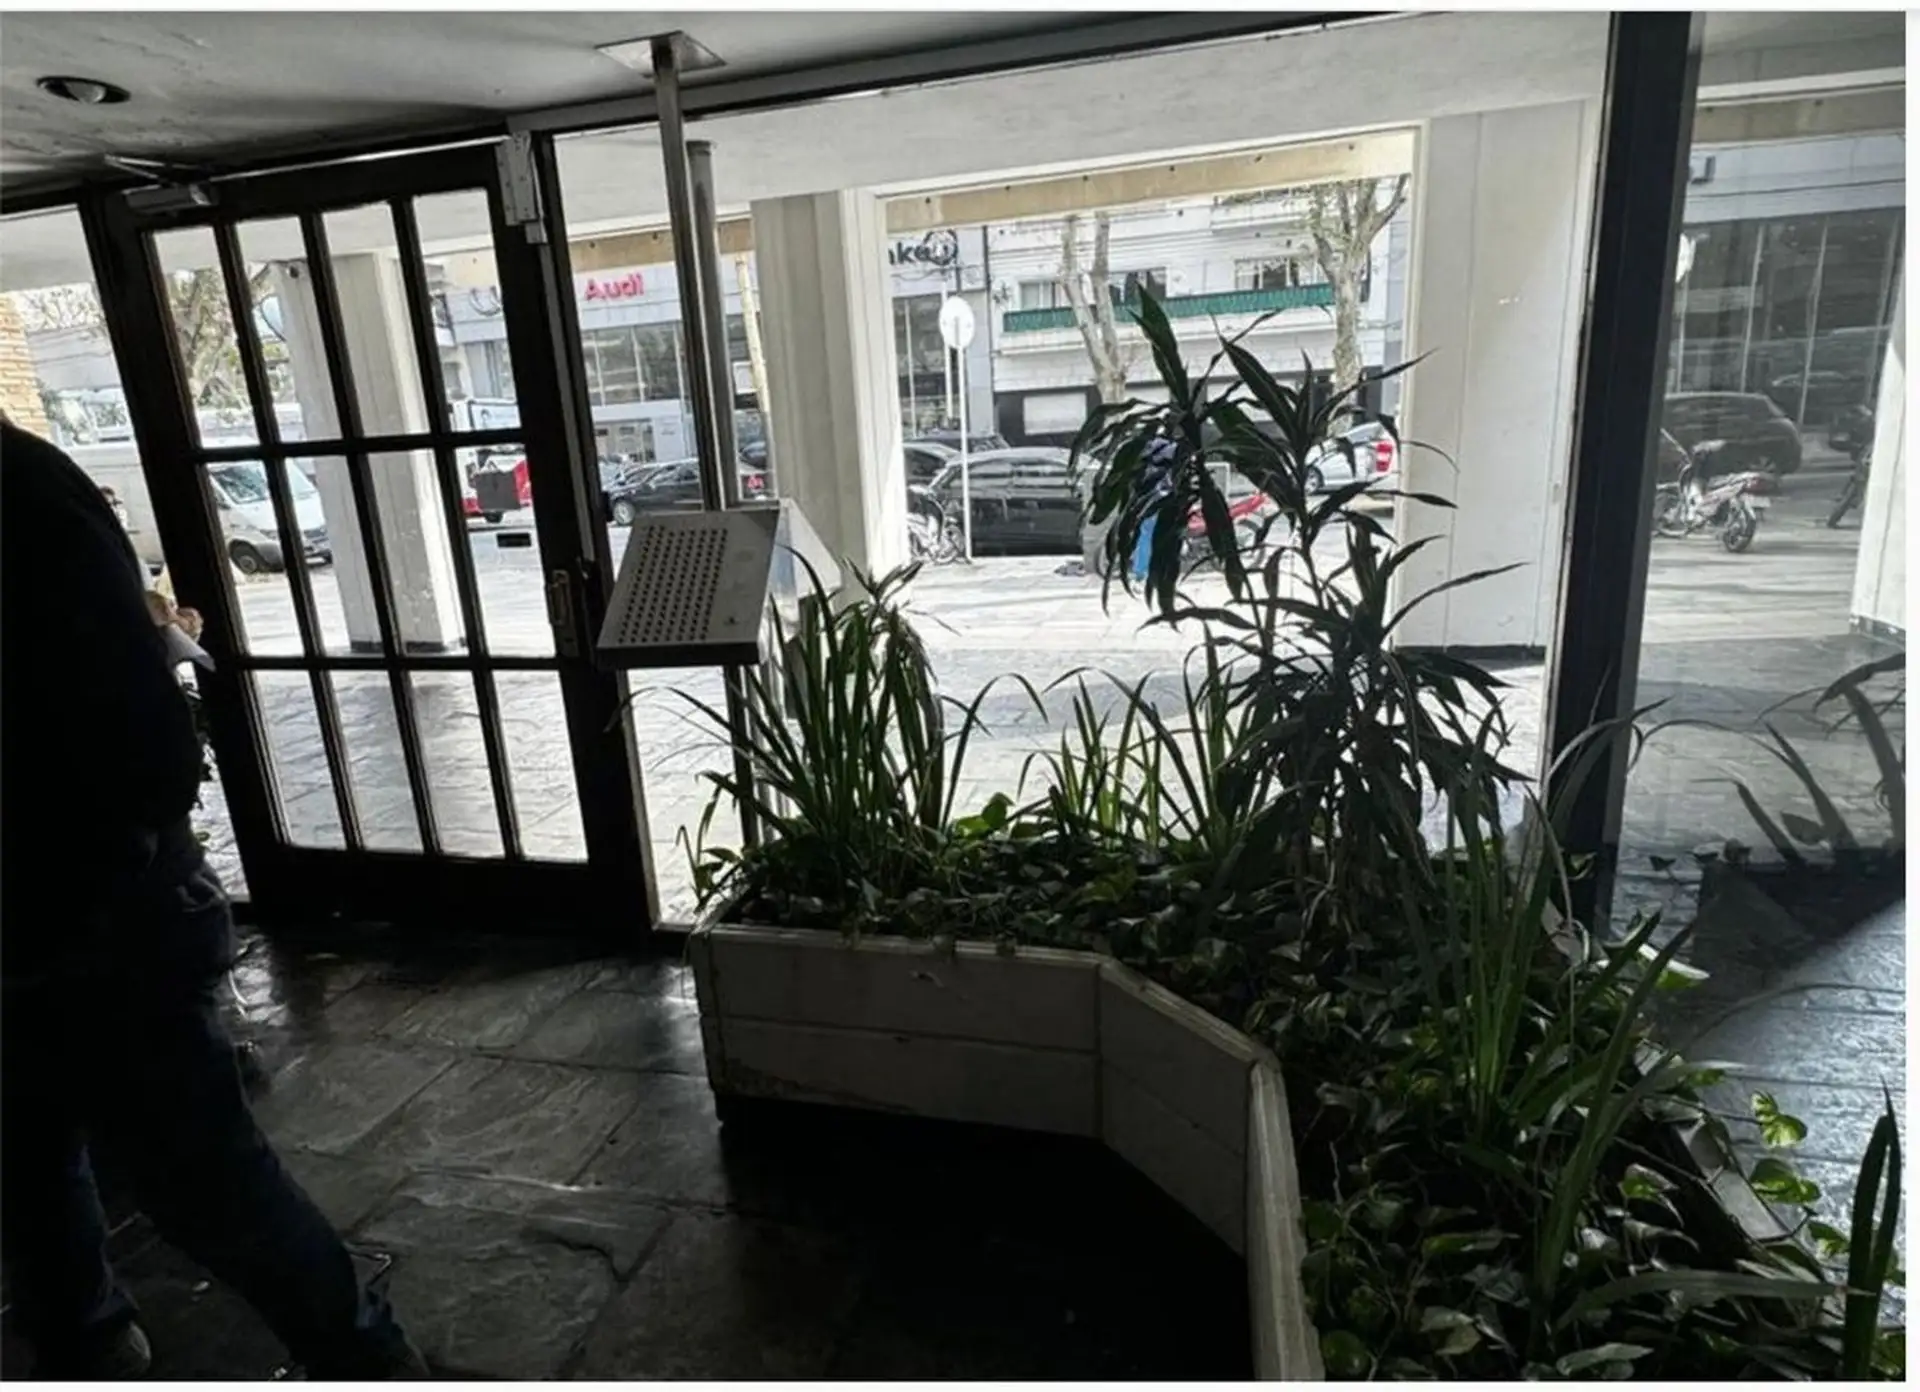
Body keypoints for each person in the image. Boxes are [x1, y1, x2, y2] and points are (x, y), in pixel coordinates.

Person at [0, 418, 427, 1379]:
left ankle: (361, 1361)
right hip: (81, 911)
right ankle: (90, 1337)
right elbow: (146, 746)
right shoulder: (29, 488)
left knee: (179, 1178)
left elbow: (141, 754)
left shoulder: (25, 492)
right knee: (69, 1160)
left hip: (91, 920)